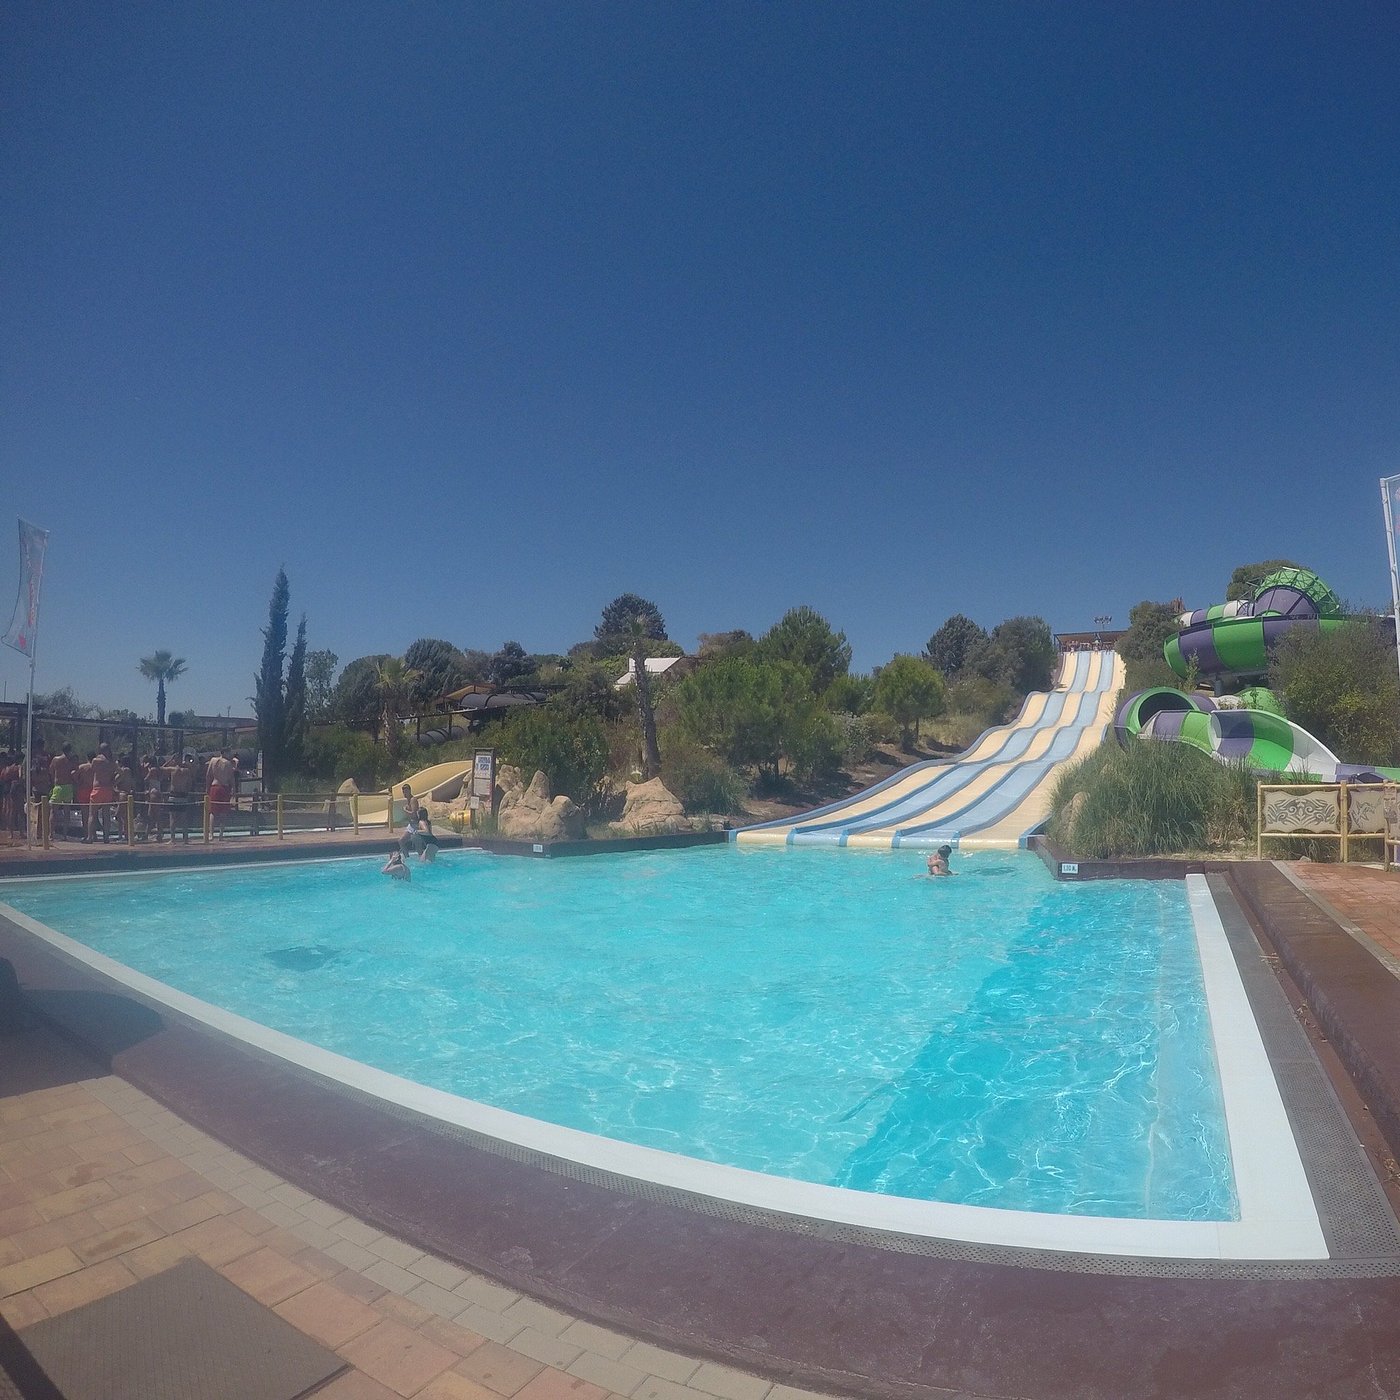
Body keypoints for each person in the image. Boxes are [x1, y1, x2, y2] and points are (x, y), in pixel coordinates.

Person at [86, 742, 117, 843]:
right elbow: (121, 773)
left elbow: (91, 770)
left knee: (92, 814)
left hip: (97, 788)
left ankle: (90, 838)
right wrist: (113, 782)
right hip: (107, 789)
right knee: (106, 814)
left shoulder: (96, 760)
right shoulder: (112, 763)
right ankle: (106, 837)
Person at [206, 748, 237, 838]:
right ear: (224, 753)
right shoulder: (227, 763)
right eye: (229, 753)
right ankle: (220, 834)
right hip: (224, 787)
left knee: (213, 812)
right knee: (223, 812)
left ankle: (211, 834)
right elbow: (231, 778)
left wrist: (207, 788)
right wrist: (234, 790)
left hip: (214, 786)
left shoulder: (212, 761)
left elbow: (208, 775)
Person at [48, 744, 76, 840]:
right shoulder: (72, 760)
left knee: (53, 811)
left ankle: (51, 834)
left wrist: (53, 780)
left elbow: (51, 770)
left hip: (58, 786)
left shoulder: (56, 759)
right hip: (68, 786)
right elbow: (74, 772)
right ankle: (64, 835)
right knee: (67, 812)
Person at [398, 784, 423, 858]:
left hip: (415, 825)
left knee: (418, 848)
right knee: (401, 841)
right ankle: (407, 857)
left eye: (405, 792)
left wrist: (405, 810)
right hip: (411, 825)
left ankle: (423, 861)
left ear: (409, 791)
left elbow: (414, 814)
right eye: (403, 792)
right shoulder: (408, 800)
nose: (404, 794)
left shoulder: (413, 800)